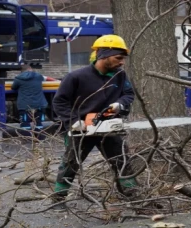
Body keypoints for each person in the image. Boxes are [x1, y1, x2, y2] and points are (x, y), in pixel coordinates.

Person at [51, 34, 138, 209]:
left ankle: (132, 193)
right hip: (81, 128)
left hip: (108, 126)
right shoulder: (76, 77)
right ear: (104, 55)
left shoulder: (119, 76)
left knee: (121, 159)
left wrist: (119, 104)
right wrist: (74, 121)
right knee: (70, 162)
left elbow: (129, 94)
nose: (121, 62)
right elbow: (59, 101)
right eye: (118, 58)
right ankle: (58, 198)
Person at [11, 64, 56, 137]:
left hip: (25, 105)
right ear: (30, 68)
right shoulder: (38, 76)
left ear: (22, 71)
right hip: (39, 104)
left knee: (25, 123)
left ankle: (27, 140)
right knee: (38, 122)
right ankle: (39, 139)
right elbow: (48, 78)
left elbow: (13, 87)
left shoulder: (18, 78)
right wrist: (58, 81)